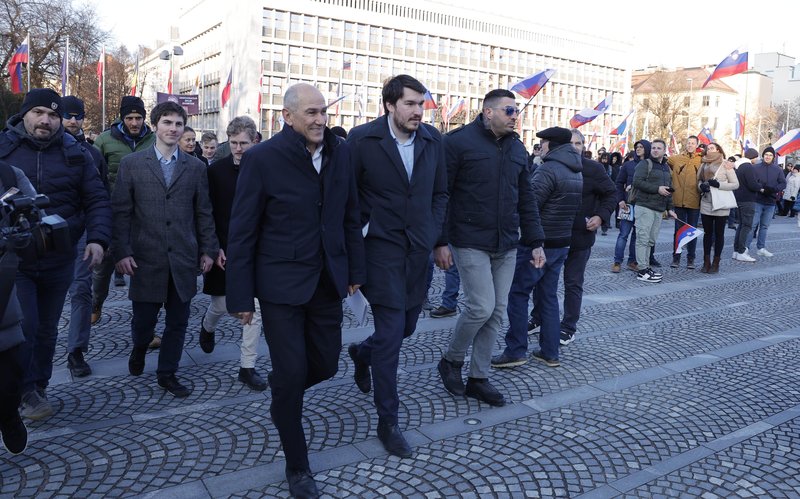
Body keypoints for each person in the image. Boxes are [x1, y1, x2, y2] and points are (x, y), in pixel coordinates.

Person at [225, 83, 365, 498]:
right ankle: (298, 466)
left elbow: (349, 215)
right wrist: (240, 297)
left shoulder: (342, 153)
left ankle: (283, 394)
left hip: (328, 282)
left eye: (323, 111)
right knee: (290, 372)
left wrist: (354, 270)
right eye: (311, 113)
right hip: (280, 285)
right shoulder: (263, 159)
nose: (320, 119)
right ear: (287, 117)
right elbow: (242, 230)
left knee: (324, 365)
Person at [347, 75, 447, 458]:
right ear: (390, 105)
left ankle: (362, 353)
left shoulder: (433, 140)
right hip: (379, 250)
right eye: (410, 104)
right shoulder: (362, 139)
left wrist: (436, 234)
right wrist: (358, 241)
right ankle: (388, 420)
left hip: (417, 250)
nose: (418, 111)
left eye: (421, 104)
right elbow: (347, 196)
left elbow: (440, 192)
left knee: (405, 327)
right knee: (391, 333)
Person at [0, 89, 111, 420]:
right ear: (24, 116)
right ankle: (20, 391)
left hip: (60, 257)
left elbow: (97, 199)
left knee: (48, 329)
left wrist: (98, 239)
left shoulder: (77, 152)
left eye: (52, 115)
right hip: (13, 259)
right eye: (38, 113)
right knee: (27, 326)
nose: (45, 120)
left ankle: (37, 387)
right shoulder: (4, 149)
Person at [433, 89, 544, 405]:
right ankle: (452, 360)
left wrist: (535, 242)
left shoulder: (517, 148)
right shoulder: (456, 143)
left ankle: (478, 378)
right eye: (509, 110)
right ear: (488, 112)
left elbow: (526, 198)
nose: (515, 117)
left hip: (507, 243)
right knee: (481, 306)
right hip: (469, 240)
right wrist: (440, 241)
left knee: (496, 312)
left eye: (516, 111)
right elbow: (441, 194)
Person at [112, 101, 218, 398]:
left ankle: (167, 372)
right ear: (155, 125)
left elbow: (204, 212)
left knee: (178, 321)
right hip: (146, 257)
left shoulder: (196, 167)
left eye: (178, 124)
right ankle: (139, 346)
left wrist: (208, 249)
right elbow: (120, 211)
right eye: (167, 123)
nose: (173, 129)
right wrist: (121, 251)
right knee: (144, 320)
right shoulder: (133, 164)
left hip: (184, 257)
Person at [494, 126, 581, 368]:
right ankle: (550, 351)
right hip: (561, 242)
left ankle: (516, 349)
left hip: (538, 245)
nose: (540, 147)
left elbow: (528, 205)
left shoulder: (548, 170)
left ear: (551, 145)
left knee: (519, 293)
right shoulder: (576, 170)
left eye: (542, 143)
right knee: (548, 297)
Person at [528, 129, 616, 345]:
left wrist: (601, 216)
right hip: (553, 235)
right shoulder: (549, 167)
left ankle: (568, 326)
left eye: (578, 143)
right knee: (542, 282)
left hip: (580, 237)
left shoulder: (593, 168)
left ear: (584, 146)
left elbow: (612, 193)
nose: (574, 147)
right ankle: (537, 318)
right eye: (571, 143)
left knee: (573, 283)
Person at [199, 116, 267, 391]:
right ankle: (208, 325)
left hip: (256, 252)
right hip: (223, 249)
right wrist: (214, 248)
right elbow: (208, 213)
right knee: (222, 305)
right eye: (234, 143)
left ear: (255, 141)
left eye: (244, 143)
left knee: (254, 309)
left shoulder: (265, 169)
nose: (239, 148)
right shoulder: (215, 172)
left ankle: (247, 367)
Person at [92, 96, 157, 343]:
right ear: (122, 118)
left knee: (143, 273)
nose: (134, 122)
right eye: (129, 118)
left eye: (138, 117)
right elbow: (94, 176)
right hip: (111, 212)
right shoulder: (104, 140)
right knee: (103, 268)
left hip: (144, 215)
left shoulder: (153, 139)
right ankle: (96, 302)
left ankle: (145, 330)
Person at [62, 96, 109, 378]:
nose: (73, 121)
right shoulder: (36, 148)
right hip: (39, 233)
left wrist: (100, 234)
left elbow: (100, 196)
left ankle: (76, 350)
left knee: (80, 289)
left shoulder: (92, 154)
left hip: (80, 233)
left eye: (78, 116)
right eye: (68, 115)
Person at [0, 159, 39, 454]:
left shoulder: (9, 174)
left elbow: (36, 216)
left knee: (9, 373)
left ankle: (8, 413)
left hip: (2, 292)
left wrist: (22, 234)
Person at [632, 139, 677, 283]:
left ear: (664, 151)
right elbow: (637, 182)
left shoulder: (665, 167)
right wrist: (657, 189)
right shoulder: (644, 164)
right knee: (642, 239)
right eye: (653, 148)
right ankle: (642, 270)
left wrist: (670, 208)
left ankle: (646, 267)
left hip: (658, 209)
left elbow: (668, 188)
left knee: (650, 240)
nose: (655, 150)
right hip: (644, 206)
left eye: (659, 148)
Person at [612, 140, 654, 273]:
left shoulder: (651, 165)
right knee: (623, 234)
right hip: (627, 205)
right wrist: (620, 200)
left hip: (643, 205)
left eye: (641, 147)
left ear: (647, 149)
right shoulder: (628, 165)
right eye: (637, 147)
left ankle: (632, 261)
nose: (638, 149)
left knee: (637, 236)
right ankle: (617, 261)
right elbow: (619, 183)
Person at [696, 143, 739, 273]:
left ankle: (716, 262)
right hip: (706, 202)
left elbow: (735, 184)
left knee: (719, 234)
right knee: (707, 234)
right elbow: (698, 180)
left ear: (719, 150)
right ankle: (706, 262)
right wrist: (700, 187)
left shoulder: (726, 164)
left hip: (721, 204)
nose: (709, 150)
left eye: (712, 148)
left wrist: (719, 184)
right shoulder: (703, 164)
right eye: (708, 149)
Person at [667, 136, 702, 269]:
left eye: (693, 143)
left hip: (694, 201)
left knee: (692, 231)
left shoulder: (701, 159)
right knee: (678, 231)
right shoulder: (676, 158)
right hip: (678, 201)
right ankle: (676, 258)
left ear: (697, 145)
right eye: (688, 143)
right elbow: (663, 159)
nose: (690, 145)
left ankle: (690, 259)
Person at [746, 146, 785, 257]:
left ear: (773, 157)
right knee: (753, 225)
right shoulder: (755, 168)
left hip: (771, 202)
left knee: (764, 226)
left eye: (770, 155)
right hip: (757, 200)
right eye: (766, 154)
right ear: (763, 156)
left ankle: (761, 248)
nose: (768, 157)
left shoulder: (778, 169)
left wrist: (774, 189)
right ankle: (745, 248)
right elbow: (751, 182)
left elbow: (783, 183)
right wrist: (760, 188)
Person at [732, 149, 761, 262]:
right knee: (747, 226)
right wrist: (760, 186)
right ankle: (741, 251)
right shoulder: (748, 167)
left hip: (739, 199)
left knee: (741, 225)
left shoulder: (739, 167)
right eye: (756, 157)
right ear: (753, 157)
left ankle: (736, 251)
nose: (757, 159)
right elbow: (752, 185)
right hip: (748, 200)